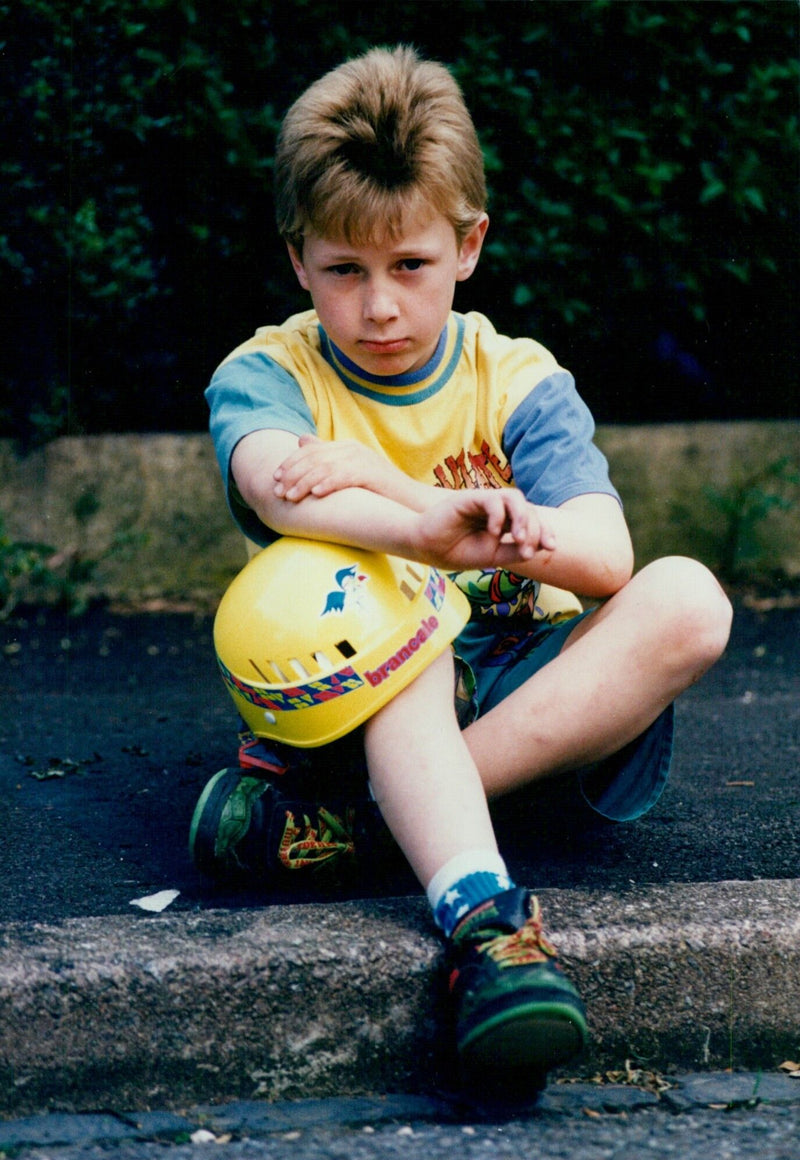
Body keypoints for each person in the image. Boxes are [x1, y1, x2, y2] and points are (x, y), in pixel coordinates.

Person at [192, 45, 732, 1095]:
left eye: (410, 266)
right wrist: (431, 522)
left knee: (688, 600)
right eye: (344, 271)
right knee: (412, 636)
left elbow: (603, 554)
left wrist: (394, 494)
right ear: (297, 259)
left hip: (537, 699)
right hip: (371, 686)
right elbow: (273, 486)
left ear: (468, 245)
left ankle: (349, 833)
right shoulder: (266, 372)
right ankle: (486, 934)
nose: (380, 308)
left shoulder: (515, 376)